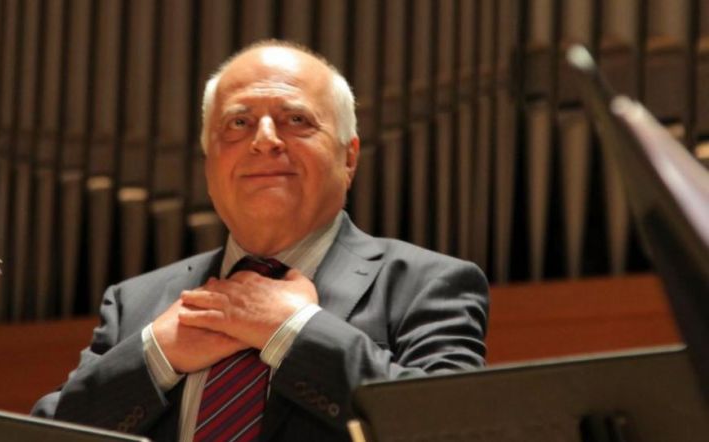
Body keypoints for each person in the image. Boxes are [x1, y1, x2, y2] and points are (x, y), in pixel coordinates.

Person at [33, 40, 489, 442]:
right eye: (238, 123)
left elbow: (455, 429)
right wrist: (155, 354)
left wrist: (293, 331)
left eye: (296, 119)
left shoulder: (428, 284)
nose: (264, 140)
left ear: (349, 157)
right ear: (209, 160)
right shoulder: (134, 303)